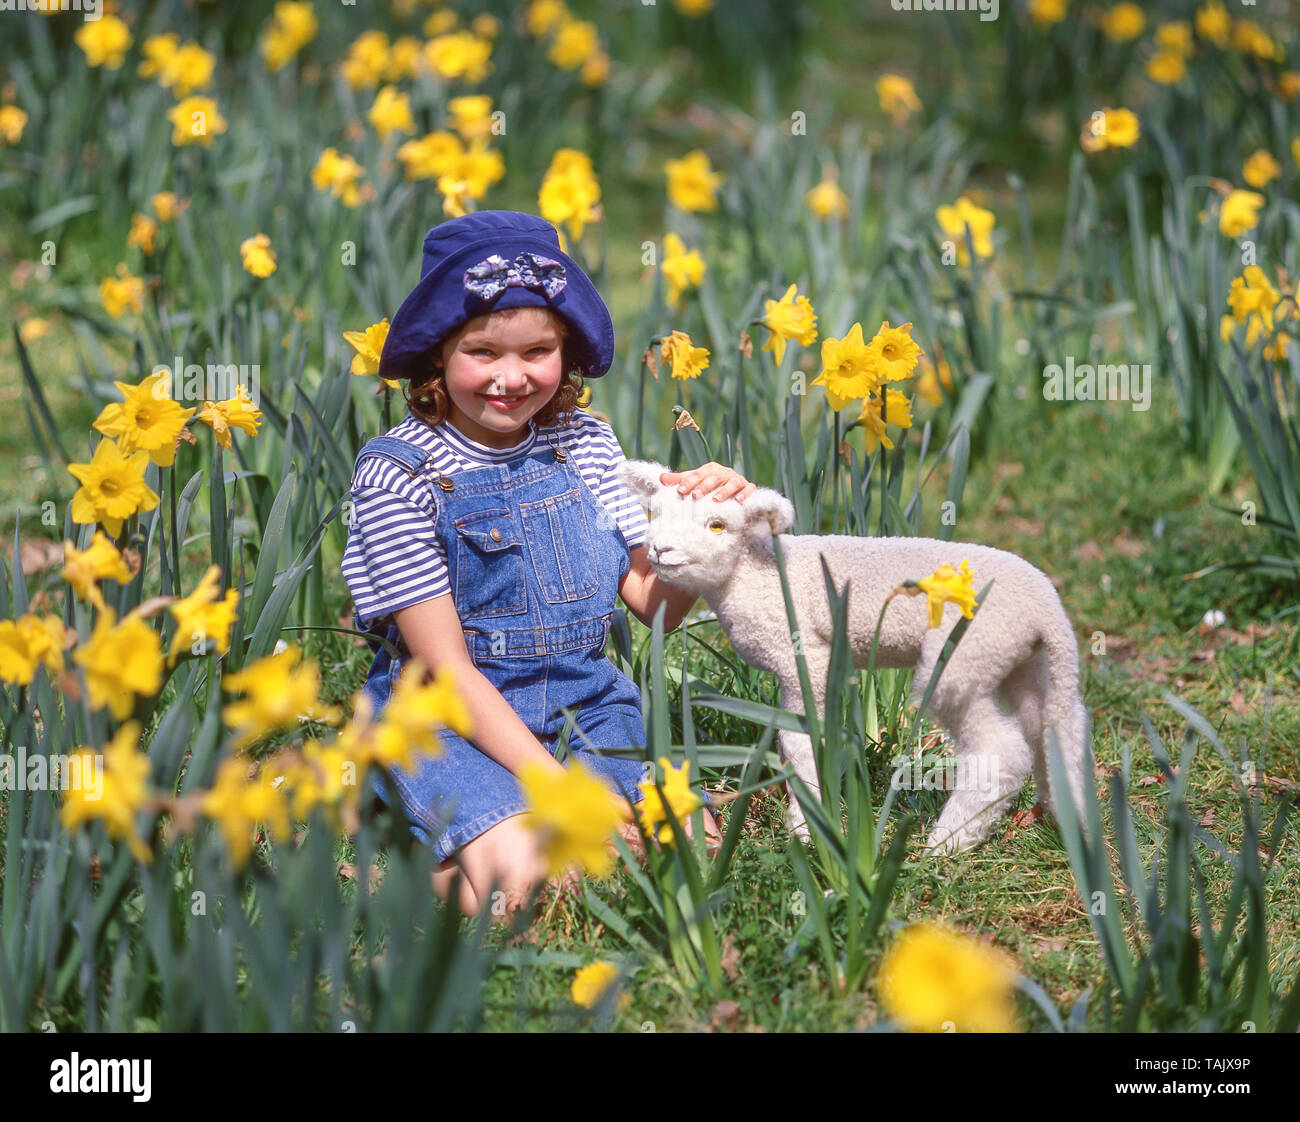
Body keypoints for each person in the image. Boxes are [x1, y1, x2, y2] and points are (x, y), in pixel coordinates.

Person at [340, 210, 757, 917]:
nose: (511, 377)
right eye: (483, 352)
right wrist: (557, 792)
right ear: (439, 354)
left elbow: (654, 606)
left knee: (687, 847)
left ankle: (451, 845)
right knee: (539, 883)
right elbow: (448, 670)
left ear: (565, 351)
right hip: (445, 720)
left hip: (585, 706)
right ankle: (400, 874)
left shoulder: (583, 445)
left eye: (537, 352)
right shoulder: (399, 475)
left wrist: (708, 530)